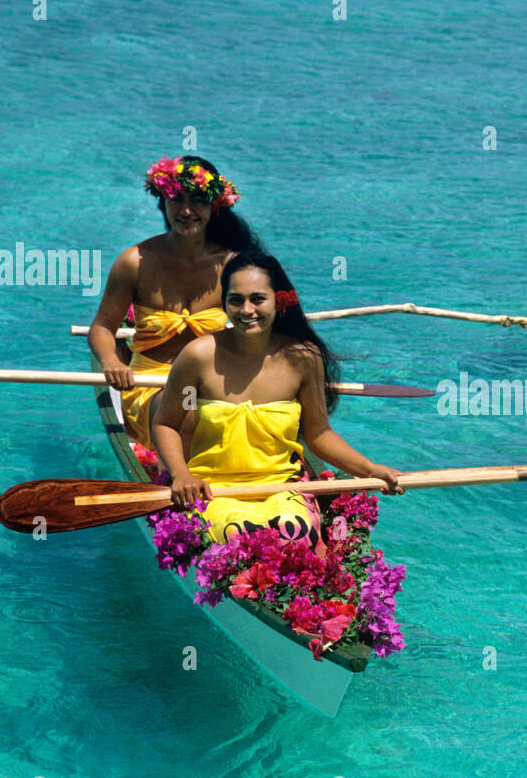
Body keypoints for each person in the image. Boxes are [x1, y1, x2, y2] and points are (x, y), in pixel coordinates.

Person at [151, 250, 403, 545]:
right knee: (239, 535)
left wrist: (370, 469)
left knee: (295, 536)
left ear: (279, 300)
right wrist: (181, 474)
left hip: (282, 490)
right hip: (213, 491)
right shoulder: (199, 355)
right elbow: (166, 422)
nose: (246, 310)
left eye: (258, 299)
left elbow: (319, 434)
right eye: (236, 300)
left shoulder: (304, 358)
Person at [87, 154, 263, 447]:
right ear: (162, 203)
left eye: (196, 200)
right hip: (150, 385)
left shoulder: (233, 265)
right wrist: (110, 361)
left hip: (214, 382)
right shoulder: (134, 262)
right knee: (188, 410)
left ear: (214, 205)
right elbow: (103, 328)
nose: (186, 211)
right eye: (176, 200)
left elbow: (259, 328)